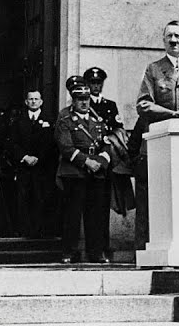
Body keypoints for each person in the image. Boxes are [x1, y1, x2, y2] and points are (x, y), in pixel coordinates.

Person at [130, 20, 179, 250]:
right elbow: (143, 104)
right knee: (152, 200)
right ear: (164, 41)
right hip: (159, 145)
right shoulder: (153, 69)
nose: (174, 41)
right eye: (169, 37)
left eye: (178, 36)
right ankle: (144, 250)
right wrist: (172, 114)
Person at [55, 76, 112, 264]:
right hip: (75, 172)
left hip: (96, 172)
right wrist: (86, 162)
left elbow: (106, 144)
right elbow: (66, 147)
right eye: (80, 100)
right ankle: (69, 252)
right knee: (73, 214)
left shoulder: (97, 119)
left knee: (95, 215)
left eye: (86, 100)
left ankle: (95, 252)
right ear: (74, 100)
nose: (84, 103)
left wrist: (101, 162)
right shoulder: (65, 118)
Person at [83, 66, 135, 260]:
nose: (96, 87)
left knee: (104, 206)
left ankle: (103, 248)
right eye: (92, 83)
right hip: (90, 162)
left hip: (107, 163)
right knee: (90, 208)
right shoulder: (82, 105)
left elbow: (118, 131)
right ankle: (92, 249)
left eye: (98, 83)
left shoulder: (110, 106)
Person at [6, 88, 56, 238]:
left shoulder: (50, 120)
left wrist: (39, 158)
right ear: (26, 102)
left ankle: (40, 231)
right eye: (31, 99)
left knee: (41, 198)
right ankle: (25, 231)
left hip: (42, 167)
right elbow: (12, 143)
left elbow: (52, 144)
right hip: (24, 166)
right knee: (24, 198)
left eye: (36, 99)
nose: (33, 102)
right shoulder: (18, 121)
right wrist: (24, 157)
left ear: (41, 102)